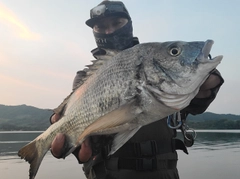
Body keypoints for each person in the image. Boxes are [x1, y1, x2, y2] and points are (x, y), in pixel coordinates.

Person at [50, 1, 224, 179]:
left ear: (129, 24)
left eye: (116, 23)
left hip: (163, 173)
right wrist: (73, 144)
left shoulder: (153, 55)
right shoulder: (84, 79)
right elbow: (79, 129)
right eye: (101, 27)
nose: (109, 31)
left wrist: (204, 84)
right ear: (94, 31)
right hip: (107, 174)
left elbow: (195, 104)